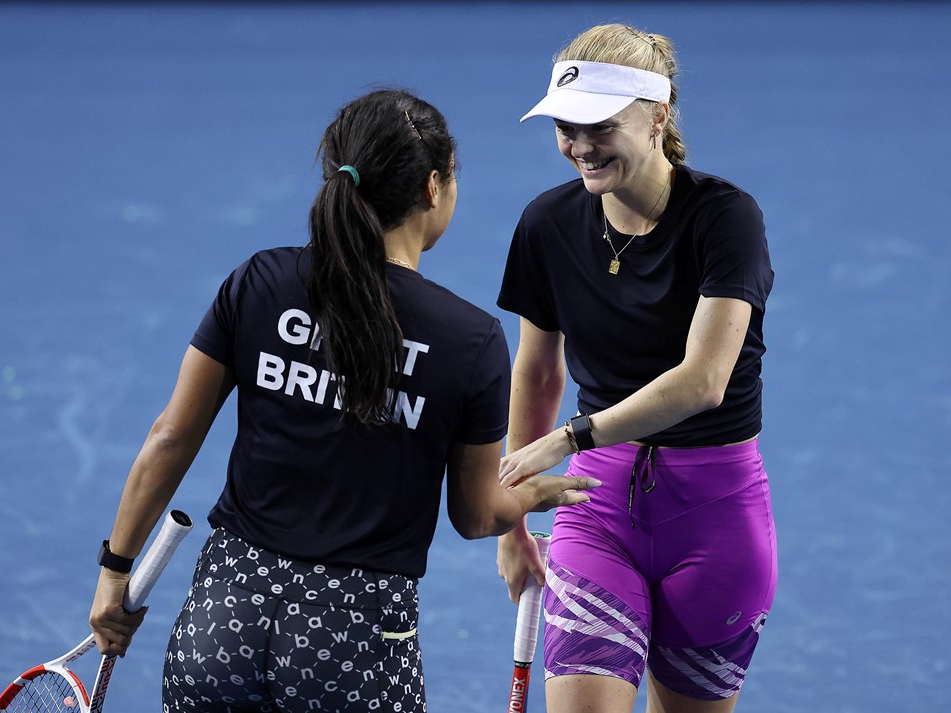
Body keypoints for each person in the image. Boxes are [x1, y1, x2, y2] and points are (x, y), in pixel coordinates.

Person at [88, 88, 600, 713]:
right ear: (432, 188)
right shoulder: (469, 341)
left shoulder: (259, 281)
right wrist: (536, 493)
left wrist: (116, 570)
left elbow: (169, 437)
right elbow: (474, 515)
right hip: (352, 646)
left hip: (223, 623)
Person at [494, 24, 777, 713]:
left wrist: (570, 438)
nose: (580, 145)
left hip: (715, 517)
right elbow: (535, 374)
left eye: (599, 124)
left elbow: (703, 381)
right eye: (566, 125)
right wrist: (512, 518)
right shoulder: (547, 223)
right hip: (595, 509)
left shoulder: (726, 219)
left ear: (658, 117)